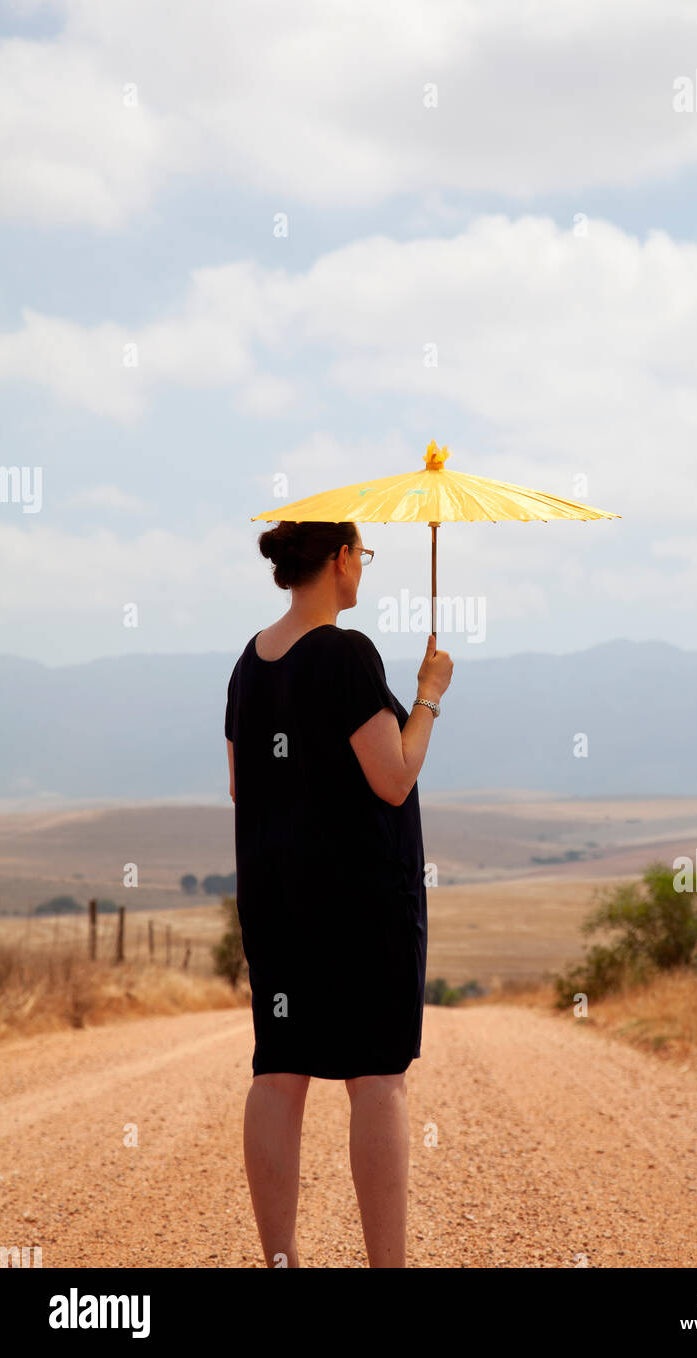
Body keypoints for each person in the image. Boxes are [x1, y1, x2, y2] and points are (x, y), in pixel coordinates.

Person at [223, 519, 453, 1268]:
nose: (364, 570)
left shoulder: (247, 666)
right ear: (341, 558)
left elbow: (239, 787)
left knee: (278, 1069)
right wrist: (428, 696)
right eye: (363, 556)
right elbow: (393, 777)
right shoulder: (348, 655)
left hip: (275, 898)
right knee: (377, 1075)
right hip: (362, 905)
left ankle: (281, 1263)